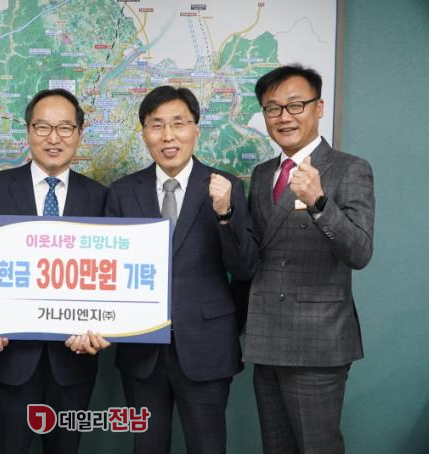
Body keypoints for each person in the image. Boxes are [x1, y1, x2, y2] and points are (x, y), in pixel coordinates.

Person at [0, 88, 109, 454]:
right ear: (28, 131)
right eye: (42, 127)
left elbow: (106, 278)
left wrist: (102, 329)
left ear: (79, 133)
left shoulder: (98, 196)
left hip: (74, 362)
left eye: (65, 128)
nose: (53, 138)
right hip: (9, 358)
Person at [104, 85, 259, 454]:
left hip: (206, 344)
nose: (168, 135)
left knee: (207, 447)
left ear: (196, 130)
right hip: (141, 349)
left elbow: (245, 267)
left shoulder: (226, 187)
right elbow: (108, 271)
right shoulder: (123, 192)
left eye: (178, 123)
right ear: (144, 133)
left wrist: (225, 214)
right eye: (156, 125)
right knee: (147, 447)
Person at [243, 64, 375, 454]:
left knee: (318, 448)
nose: (284, 117)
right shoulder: (262, 173)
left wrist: (319, 202)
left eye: (295, 105)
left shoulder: (350, 169)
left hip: (317, 342)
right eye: (272, 108)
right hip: (265, 337)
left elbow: (360, 252)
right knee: (276, 447)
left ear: (319, 107)